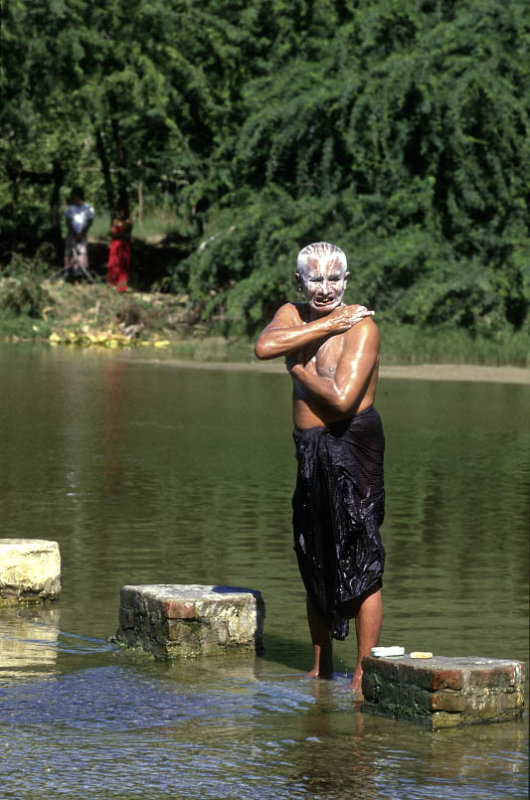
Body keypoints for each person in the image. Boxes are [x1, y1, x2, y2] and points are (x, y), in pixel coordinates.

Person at [254, 241, 385, 699]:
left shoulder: (362, 328)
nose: (324, 288)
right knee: (312, 550)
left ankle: (364, 671)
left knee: (360, 554)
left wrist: (300, 372)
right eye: (315, 279)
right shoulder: (294, 314)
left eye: (333, 280)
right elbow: (263, 346)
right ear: (299, 282)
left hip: (352, 444)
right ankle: (320, 667)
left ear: (346, 282)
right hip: (308, 447)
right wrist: (325, 325)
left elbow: (341, 399)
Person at [64, 187, 95, 283]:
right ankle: (70, 275)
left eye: (74, 196)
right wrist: (74, 233)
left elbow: (90, 222)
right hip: (72, 235)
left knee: (81, 254)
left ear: (78, 197)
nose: (72, 199)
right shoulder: (70, 209)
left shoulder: (89, 208)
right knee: (70, 254)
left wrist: (81, 234)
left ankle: (80, 276)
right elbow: (68, 222)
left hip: (82, 235)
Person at [107, 208, 133, 292]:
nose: (120, 212)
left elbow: (124, 233)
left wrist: (116, 234)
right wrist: (115, 233)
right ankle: (112, 284)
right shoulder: (115, 221)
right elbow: (110, 232)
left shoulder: (129, 221)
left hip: (123, 245)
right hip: (115, 245)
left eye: (122, 210)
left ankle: (121, 287)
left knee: (123, 266)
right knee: (113, 263)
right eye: (119, 211)